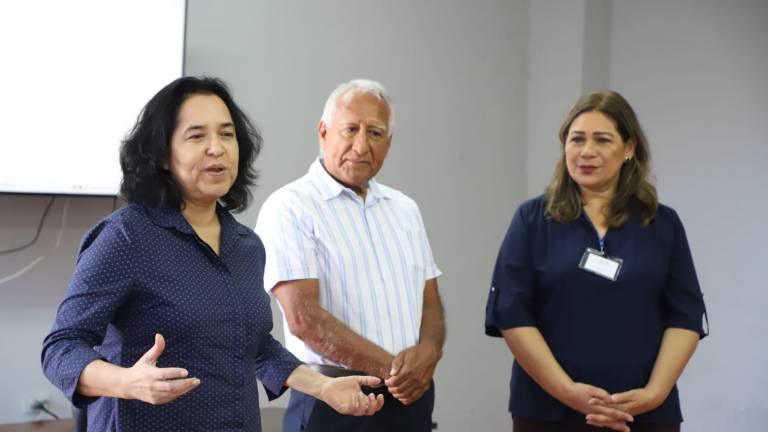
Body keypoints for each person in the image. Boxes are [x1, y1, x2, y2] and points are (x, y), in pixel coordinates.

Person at [41, 76, 384, 432]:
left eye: (226, 134)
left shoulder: (246, 245)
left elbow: (255, 347)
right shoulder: (126, 237)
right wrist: (126, 382)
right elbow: (61, 348)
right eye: (196, 136)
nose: (217, 148)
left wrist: (323, 386)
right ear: (161, 156)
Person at [485, 91, 708, 432]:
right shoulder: (532, 219)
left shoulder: (662, 224)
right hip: (548, 411)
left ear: (629, 148)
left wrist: (653, 393)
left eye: (602, 140)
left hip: (643, 412)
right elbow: (512, 315)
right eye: (577, 140)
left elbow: (686, 317)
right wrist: (568, 391)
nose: (587, 151)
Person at [255, 79, 445, 432]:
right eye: (351, 130)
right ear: (323, 132)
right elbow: (303, 318)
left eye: (375, 133)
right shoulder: (290, 207)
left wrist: (430, 354)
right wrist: (396, 371)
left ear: (388, 143)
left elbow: (430, 302)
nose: (361, 145)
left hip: (411, 399)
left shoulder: (405, 209)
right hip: (331, 399)